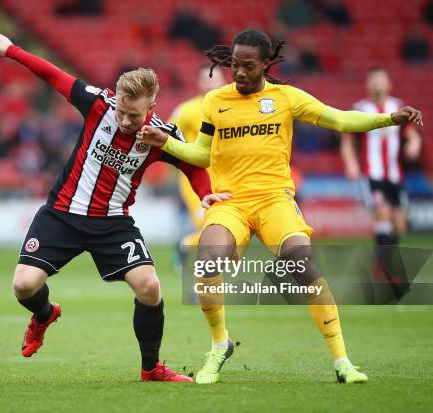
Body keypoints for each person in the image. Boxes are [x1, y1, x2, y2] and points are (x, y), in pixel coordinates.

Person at [136, 28, 423, 384]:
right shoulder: (216, 101)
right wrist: (166, 143)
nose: (239, 72)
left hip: (275, 200)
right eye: (234, 65)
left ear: (266, 64)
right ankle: (219, 344)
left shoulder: (287, 98)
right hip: (232, 203)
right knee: (207, 262)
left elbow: (339, 118)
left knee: (303, 267)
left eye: (248, 66)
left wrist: (387, 120)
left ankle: (342, 361)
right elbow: (201, 154)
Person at [0, 31, 212, 383]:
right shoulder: (98, 104)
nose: (124, 121)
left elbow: (193, 165)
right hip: (62, 213)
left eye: (133, 116)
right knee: (24, 286)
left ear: (150, 108)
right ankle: (44, 314)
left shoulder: (161, 135)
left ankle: (151, 368)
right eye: (121, 111)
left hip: (113, 223)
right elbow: (54, 75)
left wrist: (206, 195)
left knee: (150, 288)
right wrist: (11, 50)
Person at [340, 67, 422, 290]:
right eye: (373, 80)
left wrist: (414, 144)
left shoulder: (397, 107)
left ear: (389, 84)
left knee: (400, 225)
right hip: (372, 175)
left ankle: (382, 264)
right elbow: (348, 141)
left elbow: (410, 134)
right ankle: (386, 273)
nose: (377, 84)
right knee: (383, 216)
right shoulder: (360, 109)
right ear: (367, 84)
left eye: (381, 80)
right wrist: (351, 162)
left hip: (395, 175)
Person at [169, 65, 225, 265]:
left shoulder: (231, 108)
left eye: (216, 78)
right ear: (199, 83)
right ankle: (203, 278)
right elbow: (167, 134)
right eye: (207, 79)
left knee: (222, 224)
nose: (212, 83)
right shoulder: (187, 110)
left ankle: (186, 245)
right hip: (196, 177)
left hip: (225, 176)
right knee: (206, 222)